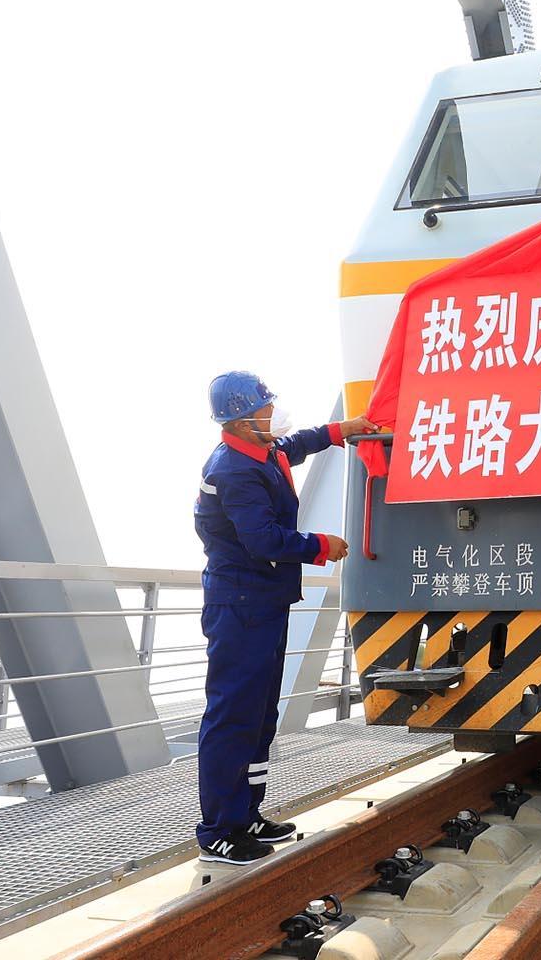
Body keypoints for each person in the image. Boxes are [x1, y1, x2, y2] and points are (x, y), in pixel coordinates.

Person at [192, 370, 375, 865]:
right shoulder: (234, 470)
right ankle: (217, 831)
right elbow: (264, 540)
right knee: (232, 717)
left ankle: (247, 813)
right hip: (239, 607)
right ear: (241, 418)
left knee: (260, 715)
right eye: (265, 408)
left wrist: (340, 431)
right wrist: (322, 547)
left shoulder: (261, 450)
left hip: (264, 604)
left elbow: (293, 445)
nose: (273, 414)